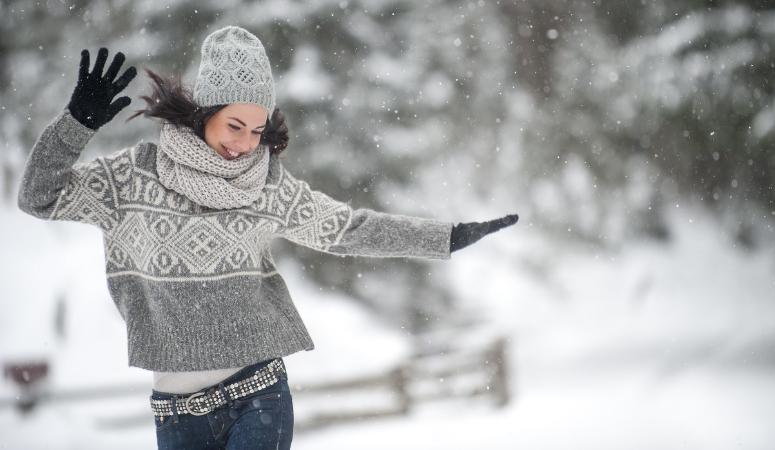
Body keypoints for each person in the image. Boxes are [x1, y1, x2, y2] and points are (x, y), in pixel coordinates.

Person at [17, 25, 518, 450]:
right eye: (235, 126)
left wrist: (444, 237)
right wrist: (75, 125)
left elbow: (347, 229)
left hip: (258, 395)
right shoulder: (132, 178)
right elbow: (38, 197)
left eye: (257, 131)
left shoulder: (266, 185)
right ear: (204, 111)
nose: (245, 144)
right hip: (176, 412)